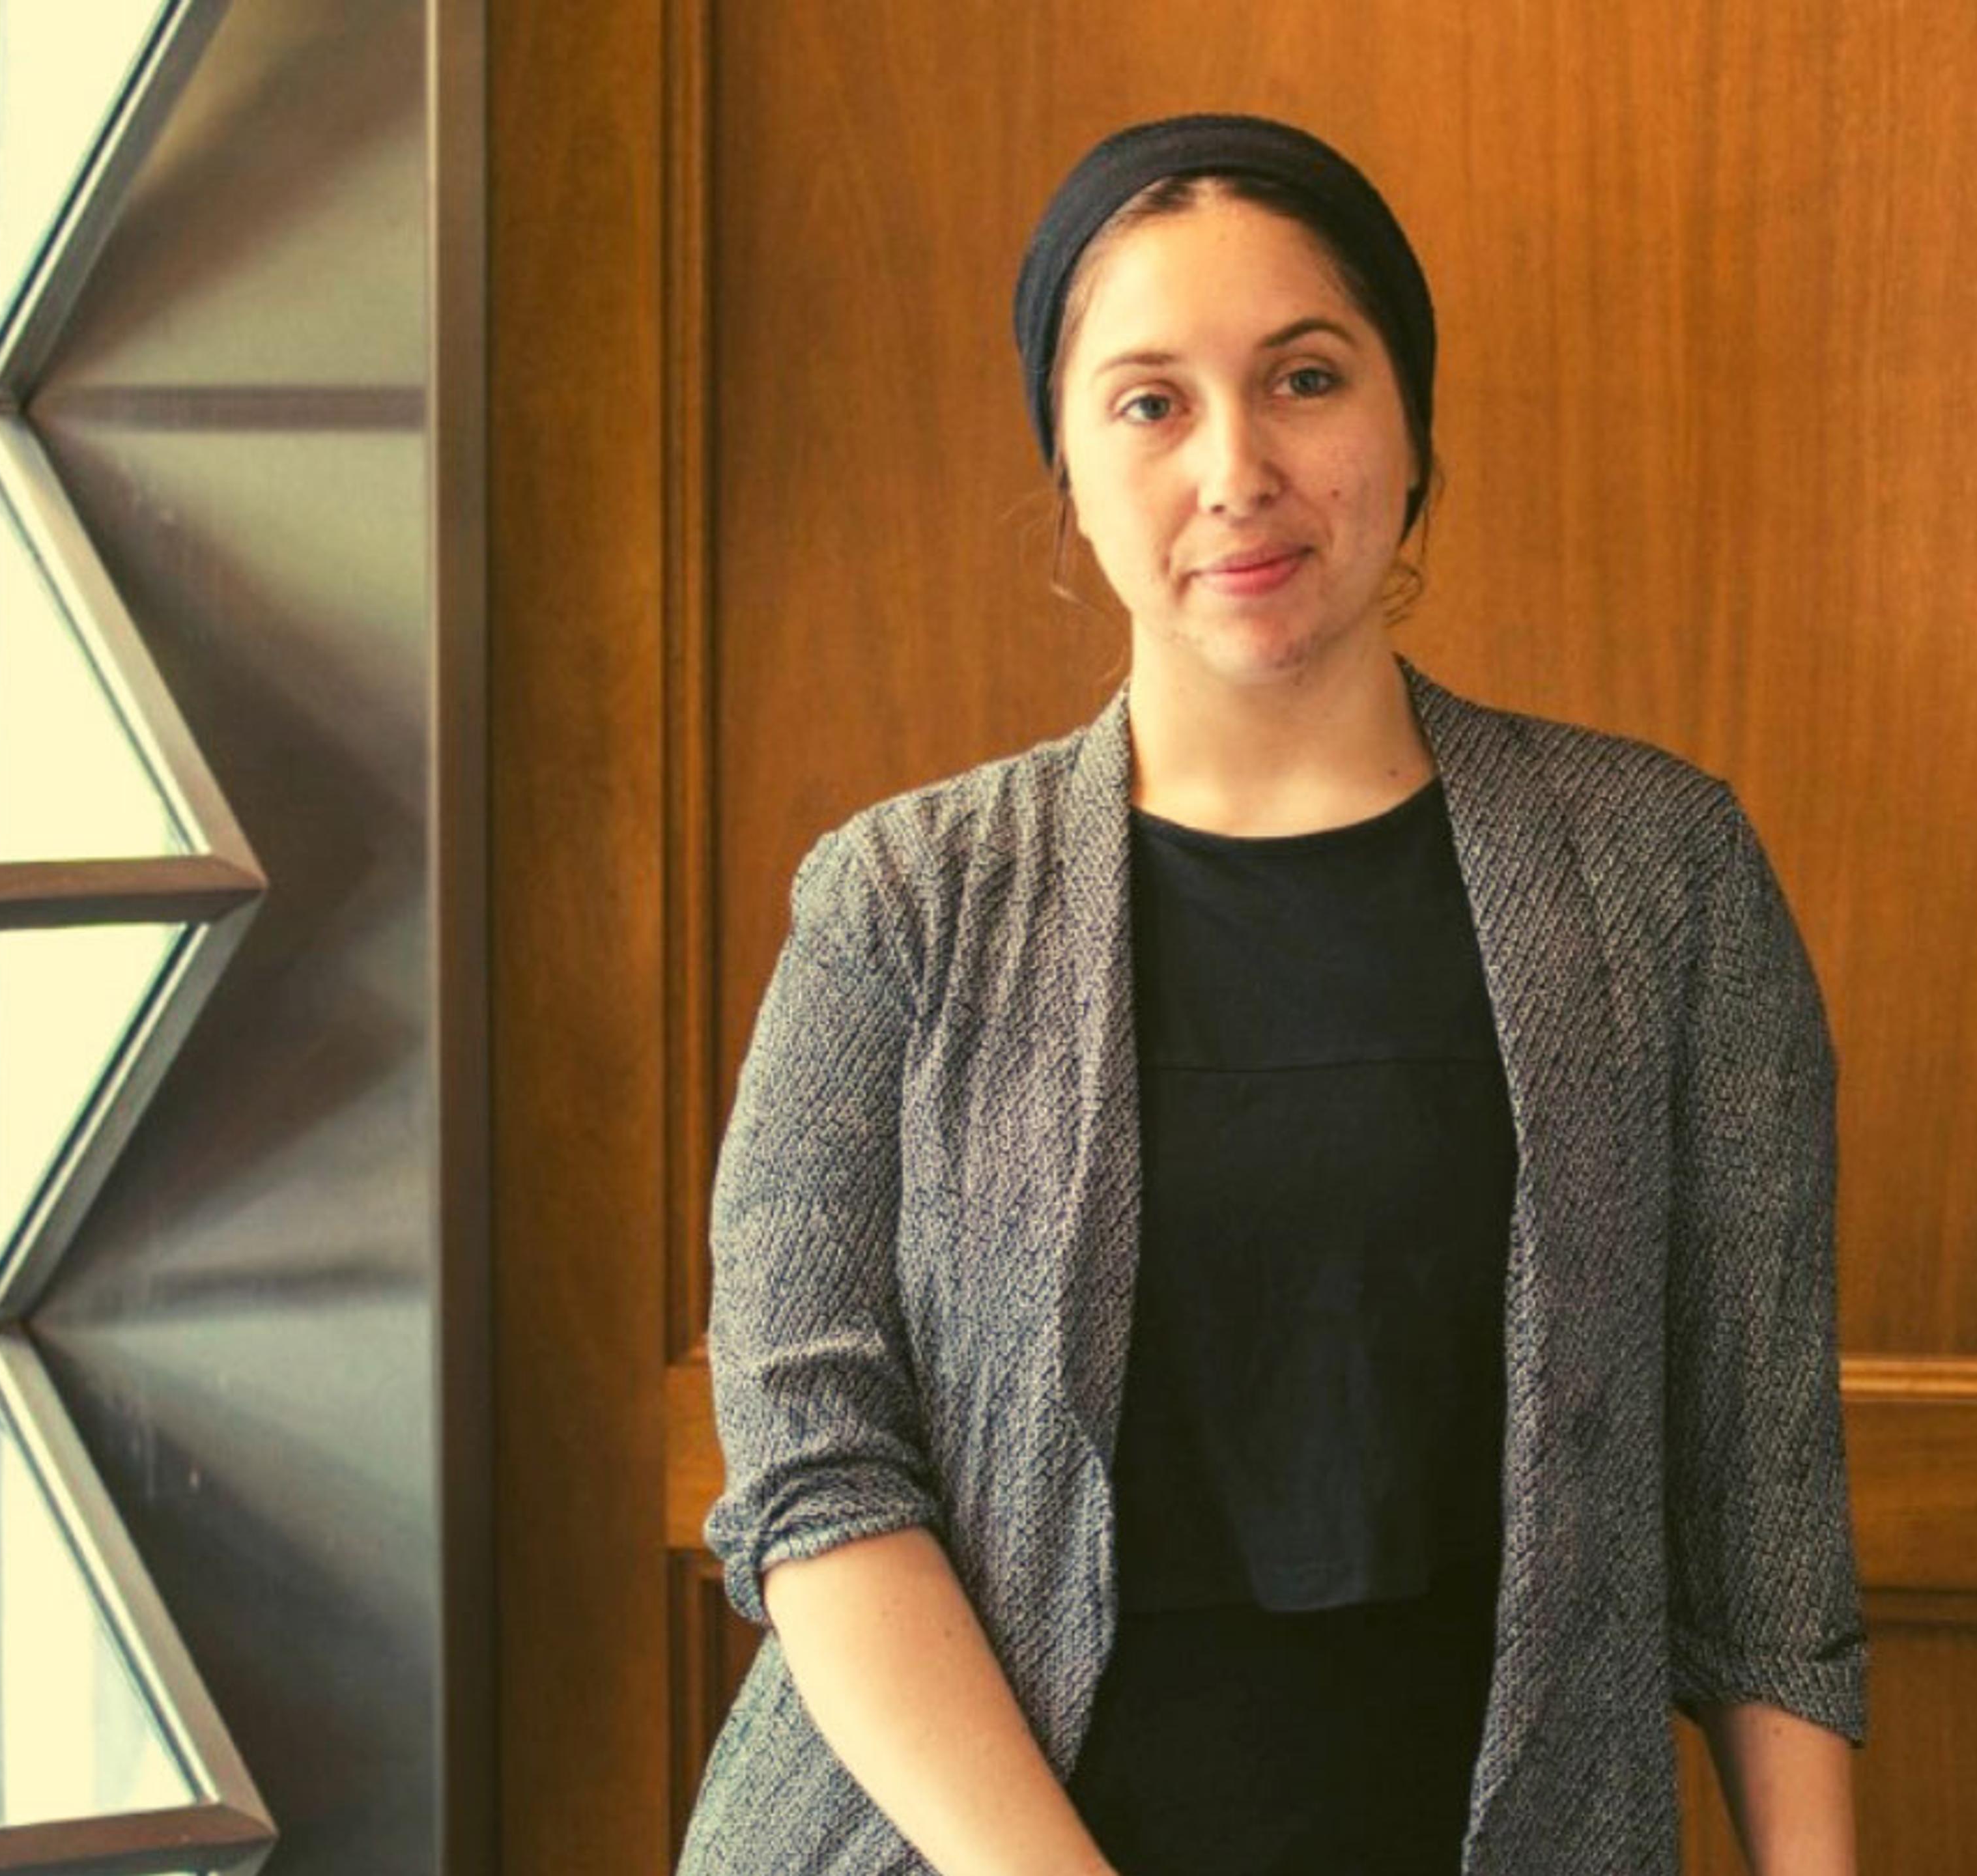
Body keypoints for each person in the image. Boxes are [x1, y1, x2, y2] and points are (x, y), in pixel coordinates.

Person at [677, 113, 1866, 1876]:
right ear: (1067, 469)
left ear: (1409, 427)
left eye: (1304, 377)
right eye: (1149, 402)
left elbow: (1764, 1498)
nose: (1236, 466)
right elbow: (813, 1476)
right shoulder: (901, 906)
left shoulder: (1662, 876)